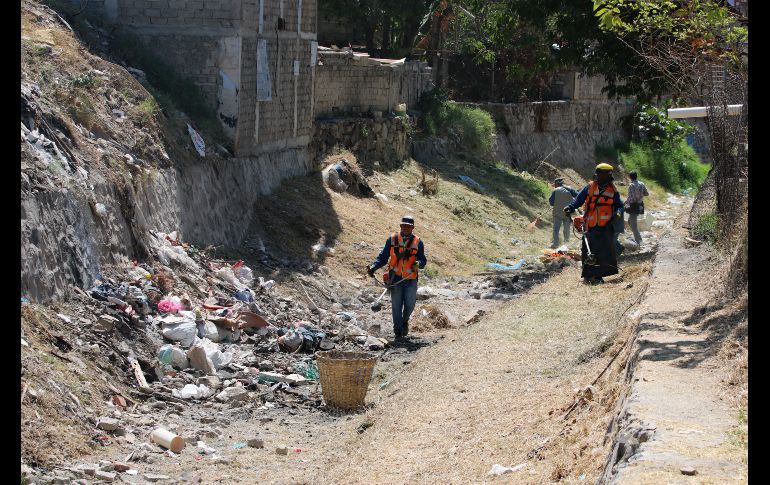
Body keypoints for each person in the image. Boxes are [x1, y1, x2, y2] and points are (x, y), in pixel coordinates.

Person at [366, 215, 427, 339]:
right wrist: (373, 267)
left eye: (408, 226)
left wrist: (418, 264)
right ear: (400, 226)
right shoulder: (392, 239)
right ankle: (398, 331)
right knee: (396, 305)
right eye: (403, 225)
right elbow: (383, 258)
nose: (405, 228)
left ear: (412, 227)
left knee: (410, 304)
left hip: (410, 278)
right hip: (395, 278)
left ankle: (404, 321)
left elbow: (423, 260)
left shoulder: (418, 242)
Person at [564, 163, 624, 284]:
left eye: (605, 174)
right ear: (597, 174)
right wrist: (569, 208)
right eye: (600, 173)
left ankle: (599, 276)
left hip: (606, 225)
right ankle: (588, 277)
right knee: (588, 251)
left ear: (609, 175)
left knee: (605, 251)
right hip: (590, 225)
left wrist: (618, 212)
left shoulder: (613, 190)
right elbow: (578, 201)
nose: (603, 176)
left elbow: (620, 205)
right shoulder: (589, 187)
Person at [548, 178, 578, 249]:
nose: (554, 186)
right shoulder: (570, 189)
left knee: (556, 229)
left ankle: (555, 244)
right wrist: (572, 201)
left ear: (557, 183)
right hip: (567, 212)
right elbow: (578, 196)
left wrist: (557, 203)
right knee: (566, 229)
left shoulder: (555, 190)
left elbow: (551, 202)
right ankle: (566, 244)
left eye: (555, 184)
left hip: (557, 212)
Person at [624, 170, 649, 246]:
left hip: (633, 206)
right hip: (640, 205)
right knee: (629, 221)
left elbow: (631, 198)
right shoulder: (642, 184)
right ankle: (637, 237)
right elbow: (647, 193)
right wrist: (640, 195)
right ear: (636, 176)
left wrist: (625, 204)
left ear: (630, 177)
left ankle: (639, 242)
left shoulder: (631, 185)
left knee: (633, 225)